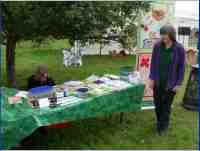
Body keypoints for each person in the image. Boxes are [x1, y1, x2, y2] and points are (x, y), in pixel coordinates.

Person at [149, 25, 185, 135]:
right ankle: (160, 122)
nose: (163, 36)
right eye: (162, 34)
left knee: (166, 106)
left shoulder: (179, 49)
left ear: (171, 35)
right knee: (158, 104)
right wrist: (152, 78)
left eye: (165, 34)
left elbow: (181, 67)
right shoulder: (157, 46)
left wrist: (178, 84)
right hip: (158, 82)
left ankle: (163, 127)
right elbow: (153, 63)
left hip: (171, 83)